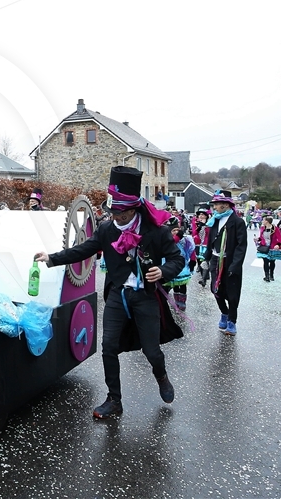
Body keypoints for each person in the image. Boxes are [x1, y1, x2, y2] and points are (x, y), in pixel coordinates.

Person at [34, 166, 184, 419]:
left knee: (152, 351)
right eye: (111, 210)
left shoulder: (156, 231)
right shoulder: (106, 229)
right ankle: (114, 400)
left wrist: (163, 271)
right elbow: (83, 250)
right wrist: (51, 258)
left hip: (145, 296)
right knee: (108, 346)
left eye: (120, 212)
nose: (115, 215)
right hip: (118, 294)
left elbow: (177, 259)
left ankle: (161, 376)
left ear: (133, 208)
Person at [202, 191, 247, 336]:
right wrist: (206, 258)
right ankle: (224, 313)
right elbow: (210, 241)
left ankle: (232, 321)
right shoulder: (214, 220)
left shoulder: (238, 222)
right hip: (215, 259)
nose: (214, 207)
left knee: (232, 293)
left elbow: (241, 245)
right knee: (215, 290)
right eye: (213, 204)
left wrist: (235, 265)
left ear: (226, 205)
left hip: (230, 261)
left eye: (216, 204)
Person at [256, 215, 281, 282]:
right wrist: (258, 239)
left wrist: (278, 245)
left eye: (263, 220)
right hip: (264, 247)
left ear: (267, 221)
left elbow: (280, 238)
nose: (262, 221)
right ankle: (267, 276)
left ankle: (271, 274)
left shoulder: (275, 228)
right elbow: (261, 237)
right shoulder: (262, 228)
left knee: (272, 262)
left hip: (272, 248)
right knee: (265, 262)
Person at [192, 207, 211, 288]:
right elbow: (194, 233)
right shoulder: (196, 223)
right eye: (199, 214)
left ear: (206, 216)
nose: (201, 216)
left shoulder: (210, 223)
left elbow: (210, 233)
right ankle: (204, 274)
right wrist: (198, 227)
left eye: (203, 214)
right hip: (198, 244)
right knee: (199, 260)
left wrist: (205, 225)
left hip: (206, 244)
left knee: (205, 260)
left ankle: (204, 279)